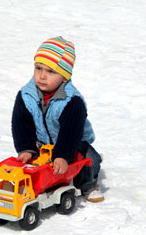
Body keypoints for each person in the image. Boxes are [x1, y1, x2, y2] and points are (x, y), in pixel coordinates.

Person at [11, 36, 104, 203]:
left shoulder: (72, 101)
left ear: (65, 77)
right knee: (30, 163)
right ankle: (40, 185)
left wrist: (62, 155)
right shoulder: (26, 95)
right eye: (38, 68)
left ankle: (88, 185)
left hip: (74, 141)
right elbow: (21, 124)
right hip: (42, 143)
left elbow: (71, 131)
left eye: (51, 71)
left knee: (89, 159)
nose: (42, 76)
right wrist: (26, 148)